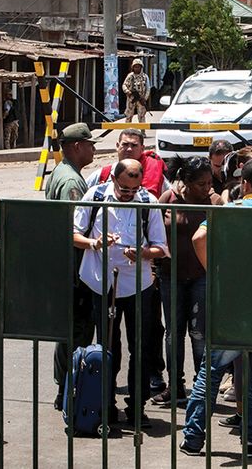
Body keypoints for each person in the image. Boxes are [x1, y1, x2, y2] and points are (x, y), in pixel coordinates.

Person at [180, 158, 252, 458]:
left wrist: (215, 272)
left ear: (244, 184)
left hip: (230, 305)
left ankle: (193, 439)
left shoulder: (227, 212)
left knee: (210, 374)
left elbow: (199, 237)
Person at [73, 159, 168, 426]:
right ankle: (106, 405)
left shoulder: (148, 202)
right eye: (124, 189)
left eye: (133, 189)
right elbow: (74, 234)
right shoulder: (96, 196)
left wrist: (142, 254)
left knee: (140, 346)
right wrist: (95, 242)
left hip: (137, 284)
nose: (128, 195)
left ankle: (137, 407)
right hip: (100, 282)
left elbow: (161, 247)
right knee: (107, 346)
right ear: (113, 180)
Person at [152, 157, 222, 406]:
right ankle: (176, 385)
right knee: (173, 334)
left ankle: (203, 388)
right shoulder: (168, 200)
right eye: (201, 184)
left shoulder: (215, 202)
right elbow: (154, 234)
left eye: (209, 182)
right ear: (187, 182)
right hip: (171, 276)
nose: (207, 188)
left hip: (202, 278)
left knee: (199, 334)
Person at [44, 124, 99, 409]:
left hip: (65, 264)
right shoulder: (72, 183)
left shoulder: (62, 173)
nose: (93, 149)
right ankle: (68, 388)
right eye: (89, 144)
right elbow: (74, 227)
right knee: (76, 330)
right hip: (75, 267)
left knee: (67, 330)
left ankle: (64, 386)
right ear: (77, 146)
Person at [87, 129, 169, 198]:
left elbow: (171, 199)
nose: (129, 149)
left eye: (134, 145)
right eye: (125, 144)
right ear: (117, 146)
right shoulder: (103, 174)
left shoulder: (155, 173)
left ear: (142, 148)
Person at [123, 58, 151, 123]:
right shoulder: (130, 76)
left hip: (141, 98)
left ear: (141, 67)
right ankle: (127, 131)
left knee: (141, 116)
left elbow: (148, 88)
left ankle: (142, 132)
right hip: (131, 98)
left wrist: (145, 98)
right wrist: (128, 92)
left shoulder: (145, 77)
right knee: (129, 115)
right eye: (135, 67)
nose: (137, 68)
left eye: (138, 67)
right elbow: (124, 85)